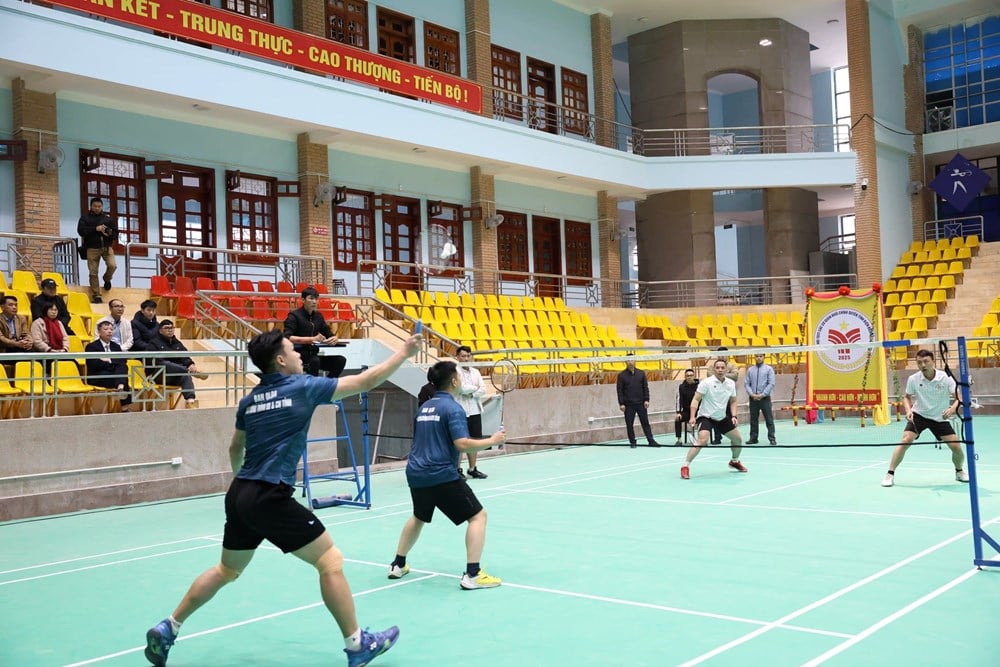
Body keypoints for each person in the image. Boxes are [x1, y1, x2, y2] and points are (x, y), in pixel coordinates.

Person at [144, 328, 421, 667]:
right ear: (279, 360)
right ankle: (357, 643)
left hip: (241, 493)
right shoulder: (302, 387)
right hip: (270, 494)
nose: (300, 355)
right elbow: (365, 382)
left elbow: (235, 448)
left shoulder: (250, 400)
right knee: (330, 562)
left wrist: (244, 488)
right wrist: (404, 353)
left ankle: (169, 626)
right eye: (293, 350)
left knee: (226, 571)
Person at [387, 360, 506, 590]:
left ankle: (398, 564)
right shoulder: (453, 408)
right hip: (440, 473)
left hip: (416, 472)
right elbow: (462, 444)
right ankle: (473, 574)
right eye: (459, 376)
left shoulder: (425, 407)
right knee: (478, 516)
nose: (461, 379)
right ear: (453, 381)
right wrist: (492, 441)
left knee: (419, 516)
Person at [881, 349, 968, 487]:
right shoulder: (913, 379)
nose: (923, 365)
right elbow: (907, 397)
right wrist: (909, 410)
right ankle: (889, 474)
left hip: (940, 417)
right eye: (919, 362)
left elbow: (959, 397)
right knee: (905, 440)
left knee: (956, 447)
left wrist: (952, 409)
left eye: (926, 361)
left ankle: (959, 471)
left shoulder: (945, 377)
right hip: (919, 415)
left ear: (933, 361)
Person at [683, 359, 746, 479]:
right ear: (714, 369)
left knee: (737, 440)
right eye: (718, 368)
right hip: (706, 416)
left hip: (721, 417)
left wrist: (734, 416)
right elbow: (696, 399)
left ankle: (734, 461)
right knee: (702, 440)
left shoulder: (730, 383)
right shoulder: (706, 382)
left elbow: (733, 401)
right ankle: (685, 466)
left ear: (726, 369)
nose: (720, 370)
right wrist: (692, 416)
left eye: (722, 368)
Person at [284, 286, 347, 378]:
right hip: (297, 356)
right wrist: (312, 339)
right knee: (314, 361)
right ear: (303, 300)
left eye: (316, 299)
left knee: (340, 360)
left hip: (313, 355)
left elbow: (328, 333)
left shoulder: (318, 316)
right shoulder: (294, 316)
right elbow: (287, 337)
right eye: (311, 298)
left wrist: (334, 338)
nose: (314, 302)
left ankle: (326, 387)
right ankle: (313, 390)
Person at [146, 319, 206, 408]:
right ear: (160, 331)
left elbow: (185, 356)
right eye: (166, 328)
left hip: (174, 375)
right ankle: (190, 372)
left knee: (185, 375)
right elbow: (155, 361)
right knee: (165, 364)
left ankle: (190, 402)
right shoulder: (153, 343)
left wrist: (190, 364)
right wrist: (185, 368)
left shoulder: (177, 343)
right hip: (158, 375)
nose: (170, 330)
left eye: (172, 327)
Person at [455, 345, 489, 479]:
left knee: (474, 440)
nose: (466, 358)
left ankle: (472, 468)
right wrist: (475, 388)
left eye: (468, 356)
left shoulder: (476, 372)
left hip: (475, 410)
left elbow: (484, 389)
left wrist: (472, 393)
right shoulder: (454, 372)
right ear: (457, 357)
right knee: (460, 441)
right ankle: (457, 470)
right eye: (463, 356)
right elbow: (461, 388)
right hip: (460, 410)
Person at [77, 196, 118, 304]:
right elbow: (81, 231)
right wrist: (95, 229)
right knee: (93, 272)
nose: (97, 208)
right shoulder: (85, 218)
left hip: (107, 247)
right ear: (91, 206)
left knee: (112, 265)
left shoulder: (108, 219)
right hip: (92, 248)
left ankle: (107, 279)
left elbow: (115, 234)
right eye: (95, 206)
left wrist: (108, 232)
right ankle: (97, 295)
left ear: (102, 207)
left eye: (99, 206)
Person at [85, 320, 132, 411]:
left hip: (113, 374)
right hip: (98, 376)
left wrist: (108, 360)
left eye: (111, 329)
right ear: (99, 332)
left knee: (123, 367)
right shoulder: (91, 347)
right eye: (106, 329)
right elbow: (94, 364)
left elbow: (123, 361)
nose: (109, 331)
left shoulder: (116, 347)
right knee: (123, 378)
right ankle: (125, 408)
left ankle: (120, 387)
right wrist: (112, 362)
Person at [616, 354, 660, 448]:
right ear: (625, 362)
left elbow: (645, 387)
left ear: (635, 361)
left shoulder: (641, 373)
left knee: (645, 423)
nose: (630, 362)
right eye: (628, 360)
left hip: (641, 403)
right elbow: (619, 390)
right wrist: (621, 403)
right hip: (628, 405)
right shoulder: (621, 375)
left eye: (632, 360)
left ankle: (651, 440)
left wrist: (646, 399)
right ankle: (632, 442)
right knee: (629, 424)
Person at [744, 353, 777, 445]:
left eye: (760, 356)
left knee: (769, 419)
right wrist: (751, 394)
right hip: (753, 398)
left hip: (765, 398)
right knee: (753, 419)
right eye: (757, 356)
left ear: (764, 357)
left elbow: (771, 383)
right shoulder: (750, 370)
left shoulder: (769, 369)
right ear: (754, 357)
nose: (758, 358)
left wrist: (763, 394)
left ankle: (772, 438)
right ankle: (753, 438)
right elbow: (747, 383)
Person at [711, 348, 740, 444]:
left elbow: (735, 376)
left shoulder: (732, 365)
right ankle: (717, 438)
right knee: (716, 417)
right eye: (720, 354)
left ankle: (734, 437)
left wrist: (720, 374)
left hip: (729, 397)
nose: (722, 356)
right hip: (716, 398)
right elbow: (709, 375)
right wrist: (726, 374)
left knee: (732, 416)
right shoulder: (712, 365)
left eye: (724, 354)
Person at [30, 303, 70, 370]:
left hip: (60, 352)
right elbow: (37, 341)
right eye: (51, 309)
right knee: (51, 365)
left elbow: (65, 338)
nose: (54, 312)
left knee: (72, 363)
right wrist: (49, 350)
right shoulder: (37, 323)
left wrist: (64, 349)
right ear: (46, 310)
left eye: (55, 310)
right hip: (44, 353)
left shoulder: (59, 323)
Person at [0, 294, 33, 374]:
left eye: (16, 305)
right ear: (2, 307)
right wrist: (16, 344)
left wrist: (29, 340)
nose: (14, 307)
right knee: (26, 358)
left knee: (34, 353)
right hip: (4, 349)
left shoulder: (21, 318)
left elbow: (26, 333)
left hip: (19, 346)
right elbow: (1, 338)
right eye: (11, 305)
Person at [674, 368, 699, 445]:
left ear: (694, 376)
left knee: (704, 420)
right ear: (685, 377)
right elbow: (679, 400)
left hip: (698, 411)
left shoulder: (699, 386)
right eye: (687, 376)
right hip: (686, 412)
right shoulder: (681, 387)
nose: (689, 377)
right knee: (677, 418)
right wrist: (678, 412)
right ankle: (679, 439)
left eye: (691, 375)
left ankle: (701, 439)